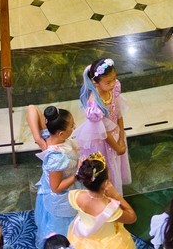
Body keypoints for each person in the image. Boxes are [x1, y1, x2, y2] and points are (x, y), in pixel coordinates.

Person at [72, 57, 131, 191]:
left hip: (116, 136)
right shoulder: (95, 105)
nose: (113, 84)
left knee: (117, 165)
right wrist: (117, 147)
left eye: (114, 79)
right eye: (108, 82)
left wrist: (121, 136)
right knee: (108, 168)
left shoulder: (114, 88)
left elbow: (118, 113)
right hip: (105, 142)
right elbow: (104, 132)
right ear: (96, 82)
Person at [27, 105, 80, 243]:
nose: (74, 128)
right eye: (72, 126)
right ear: (61, 133)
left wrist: (38, 138)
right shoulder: (56, 157)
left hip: (68, 187)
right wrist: (78, 175)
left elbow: (32, 108)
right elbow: (55, 188)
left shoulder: (47, 136)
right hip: (61, 198)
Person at [67, 153, 137, 248]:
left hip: (83, 240)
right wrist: (116, 195)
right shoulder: (110, 209)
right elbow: (132, 217)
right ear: (106, 183)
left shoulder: (76, 195)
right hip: (109, 244)